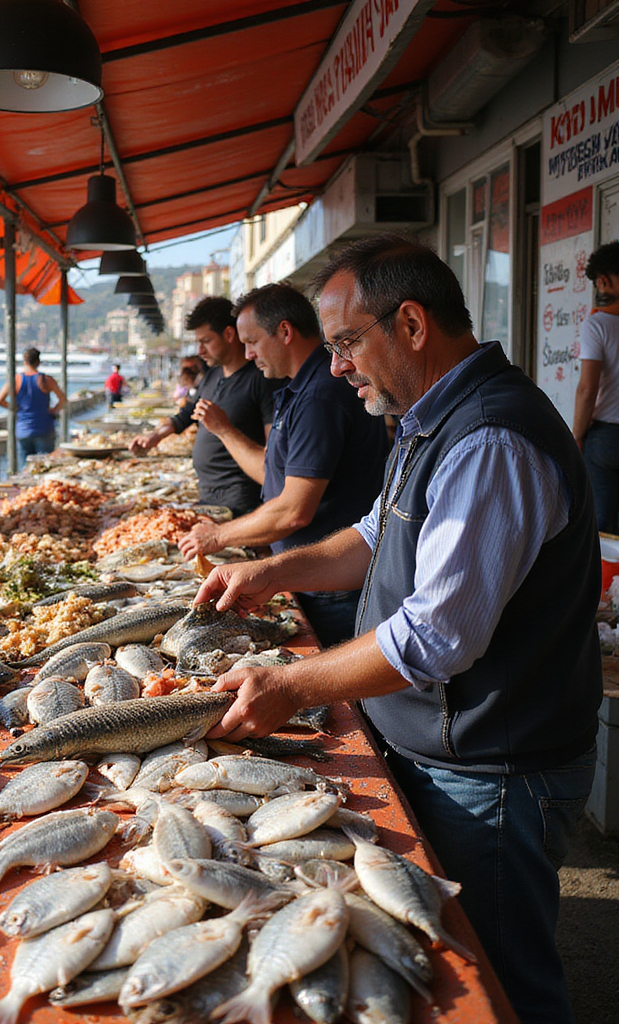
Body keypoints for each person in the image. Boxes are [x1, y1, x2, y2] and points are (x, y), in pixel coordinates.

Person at [195, 234, 601, 1024]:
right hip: (446, 752)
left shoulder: (489, 437)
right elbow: (378, 534)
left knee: (499, 981)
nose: (337, 365)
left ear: (410, 324)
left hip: (492, 772)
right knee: (452, 967)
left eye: (347, 341)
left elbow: (438, 636)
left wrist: (290, 684)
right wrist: (272, 572)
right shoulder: (429, 418)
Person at [177, 283, 388, 646]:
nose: (247, 354)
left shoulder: (320, 395)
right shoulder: (299, 389)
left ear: (285, 332)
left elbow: (294, 511)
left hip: (332, 587)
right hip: (308, 575)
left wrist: (216, 537)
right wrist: (225, 431)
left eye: (252, 342)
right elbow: (272, 475)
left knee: (341, 694)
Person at [129, 296, 281, 517]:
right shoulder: (211, 376)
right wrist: (155, 436)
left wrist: (223, 428)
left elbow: (274, 460)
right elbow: (185, 415)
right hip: (207, 496)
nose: (199, 350)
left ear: (229, 334)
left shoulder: (262, 379)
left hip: (244, 503)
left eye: (206, 341)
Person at [573, 240, 619, 532]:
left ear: (603, 281)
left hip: (606, 438)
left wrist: (577, 436)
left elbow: (588, 388)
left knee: (602, 525)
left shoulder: (597, 324)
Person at [0, 347, 66, 460]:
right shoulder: (46, 379)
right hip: (44, 428)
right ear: (38, 362)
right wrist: (53, 410)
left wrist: (15, 408)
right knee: (45, 464)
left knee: (25, 466)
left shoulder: (15, 380)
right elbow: (63, 399)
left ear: (24, 361)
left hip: (23, 429)